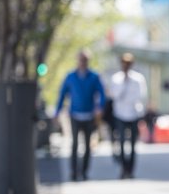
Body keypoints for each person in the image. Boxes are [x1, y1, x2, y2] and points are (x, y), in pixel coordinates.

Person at [55, 50, 106, 181]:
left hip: (89, 115)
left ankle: (84, 172)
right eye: (81, 60)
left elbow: (101, 94)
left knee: (88, 145)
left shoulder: (94, 77)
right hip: (75, 115)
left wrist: (99, 107)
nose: (83, 62)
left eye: (85, 60)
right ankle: (73, 171)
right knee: (75, 144)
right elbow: (62, 95)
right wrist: (57, 111)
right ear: (77, 61)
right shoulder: (70, 77)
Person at [109, 53, 148, 179]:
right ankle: (123, 168)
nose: (126, 66)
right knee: (120, 143)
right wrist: (124, 84)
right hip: (120, 114)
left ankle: (130, 170)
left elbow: (140, 96)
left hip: (133, 114)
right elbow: (115, 96)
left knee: (132, 144)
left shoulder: (138, 79)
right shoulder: (116, 78)